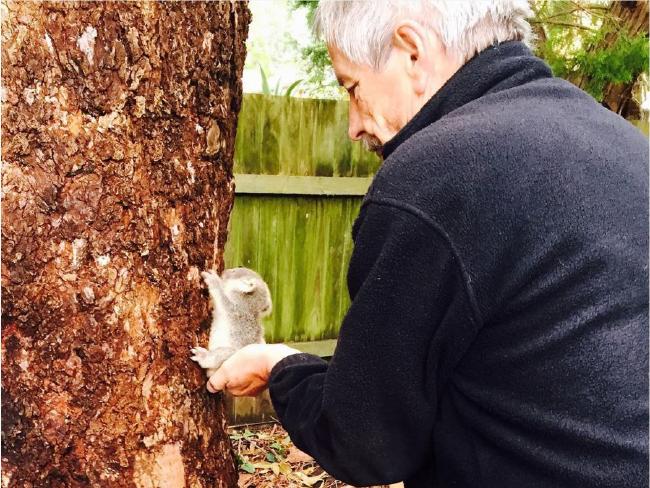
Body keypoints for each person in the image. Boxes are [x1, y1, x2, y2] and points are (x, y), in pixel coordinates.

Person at [206, 1, 649, 487]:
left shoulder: (437, 176)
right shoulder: (626, 148)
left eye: (352, 87)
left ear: (412, 53)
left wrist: (280, 368)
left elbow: (365, 442)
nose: (353, 125)